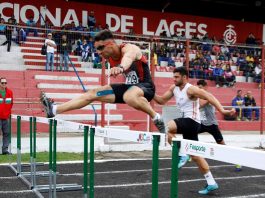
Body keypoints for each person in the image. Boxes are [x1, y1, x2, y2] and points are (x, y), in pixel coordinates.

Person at [41, 30, 166, 133]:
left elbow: (128, 58)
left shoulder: (129, 48)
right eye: (97, 49)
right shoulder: (109, 58)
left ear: (111, 44)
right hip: (129, 89)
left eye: (101, 48)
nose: (99, 52)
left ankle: (156, 117)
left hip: (146, 87)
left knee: (130, 96)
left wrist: (121, 67)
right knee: (93, 93)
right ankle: (55, 110)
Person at [153, 67, 234, 195]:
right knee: (196, 156)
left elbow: (209, 96)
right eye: (173, 77)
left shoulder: (191, 89)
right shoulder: (174, 88)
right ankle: (211, 182)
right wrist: (149, 93)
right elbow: (161, 100)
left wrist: (222, 110)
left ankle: (181, 152)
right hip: (187, 123)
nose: (174, 79)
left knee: (164, 127)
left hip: (192, 122)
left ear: (185, 77)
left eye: (177, 77)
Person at [0, 77, 13, 155]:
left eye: (5, 83)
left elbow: (11, 103)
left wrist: (7, 112)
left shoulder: (10, 92)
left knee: (7, 133)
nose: (4, 84)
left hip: (6, 117)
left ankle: (5, 150)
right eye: (2, 83)